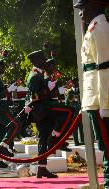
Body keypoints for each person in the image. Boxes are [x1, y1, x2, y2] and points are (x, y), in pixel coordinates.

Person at [74, 1, 109, 187]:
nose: (81, 14)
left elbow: (105, 70)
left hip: (101, 99)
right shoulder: (93, 29)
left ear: (95, 6)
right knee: (104, 146)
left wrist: (105, 104)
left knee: (107, 145)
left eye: (83, 9)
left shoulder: (101, 28)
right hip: (94, 98)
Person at [25, 50, 73, 178]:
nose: (44, 61)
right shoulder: (34, 76)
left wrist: (51, 85)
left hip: (44, 109)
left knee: (43, 139)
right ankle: (56, 138)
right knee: (70, 111)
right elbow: (34, 96)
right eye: (42, 59)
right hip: (41, 110)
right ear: (35, 61)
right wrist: (49, 86)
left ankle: (42, 168)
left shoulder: (40, 75)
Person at [65, 79, 84, 146]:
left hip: (81, 111)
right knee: (74, 128)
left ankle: (82, 140)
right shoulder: (69, 92)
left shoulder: (80, 91)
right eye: (74, 83)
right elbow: (66, 104)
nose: (76, 84)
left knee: (81, 127)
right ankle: (76, 141)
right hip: (73, 113)